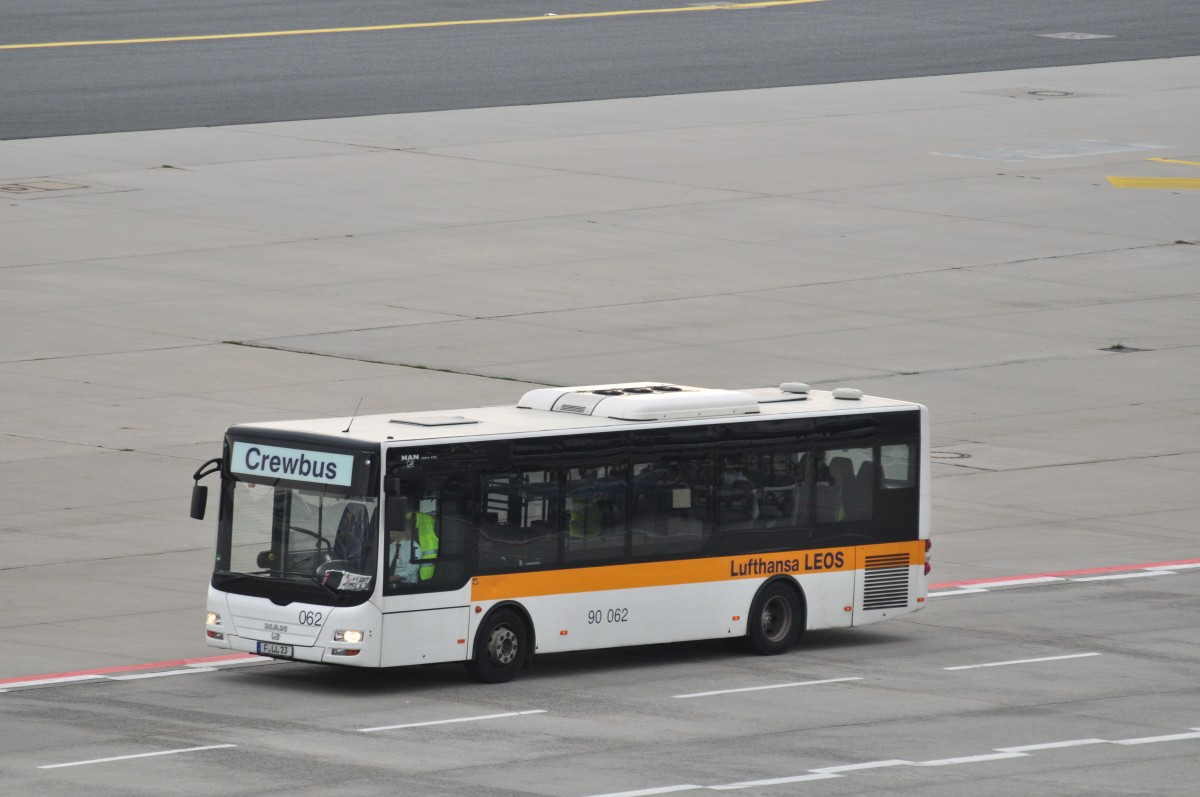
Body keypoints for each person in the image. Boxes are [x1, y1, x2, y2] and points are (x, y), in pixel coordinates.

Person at [389, 508, 438, 583]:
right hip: (389, 583)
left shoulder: (413, 546)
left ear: (403, 528)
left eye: (394, 527)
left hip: (407, 584)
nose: (390, 530)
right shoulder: (391, 546)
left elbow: (412, 569)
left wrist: (392, 578)